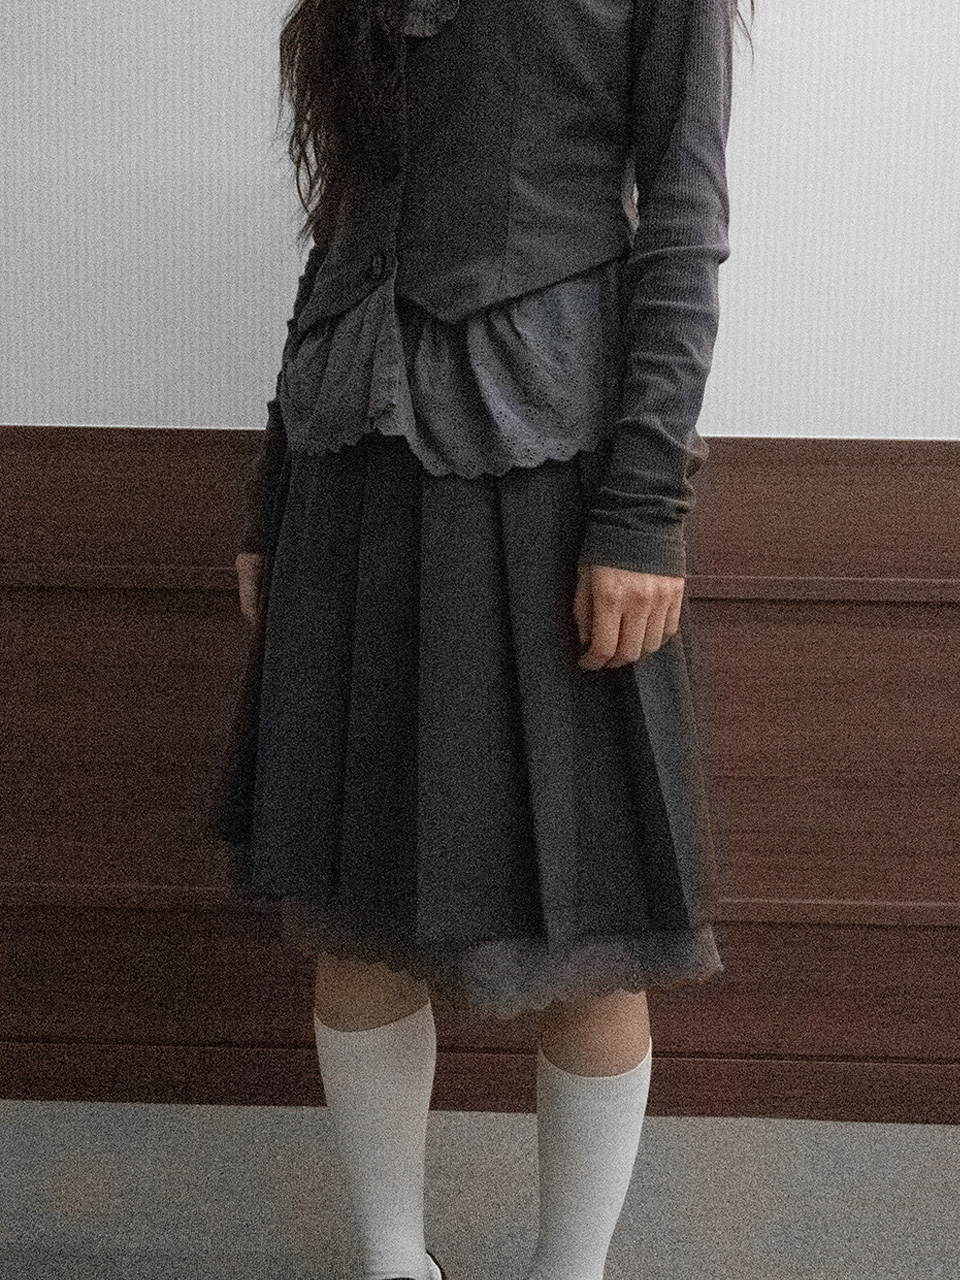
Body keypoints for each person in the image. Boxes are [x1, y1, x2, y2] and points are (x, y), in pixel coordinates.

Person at [210, 2, 754, 1278]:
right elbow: (343, 227)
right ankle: (391, 1258)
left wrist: (644, 508)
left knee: (595, 929)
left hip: (553, 472)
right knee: (356, 910)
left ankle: (571, 1269)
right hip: (352, 470)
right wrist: (273, 493)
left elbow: (683, 220)